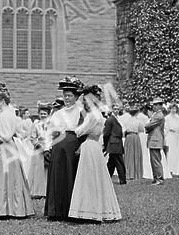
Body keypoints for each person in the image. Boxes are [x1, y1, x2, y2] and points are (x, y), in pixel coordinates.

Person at [0, 83, 34, 219]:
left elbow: (6, 136)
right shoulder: (6, 113)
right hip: (6, 147)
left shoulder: (5, 115)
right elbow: (0, 132)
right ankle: (7, 207)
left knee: (3, 177)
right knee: (7, 177)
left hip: (5, 148)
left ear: (2, 101)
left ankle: (3, 208)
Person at [69, 85, 122, 222]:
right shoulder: (98, 114)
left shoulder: (92, 116)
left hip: (89, 146)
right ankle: (95, 209)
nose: (84, 103)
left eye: (86, 100)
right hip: (94, 146)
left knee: (87, 177)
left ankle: (89, 210)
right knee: (95, 176)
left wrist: (69, 128)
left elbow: (79, 131)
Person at [45, 78, 85, 219]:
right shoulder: (57, 114)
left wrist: (81, 146)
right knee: (57, 177)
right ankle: (55, 211)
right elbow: (49, 132)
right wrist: (46, 148)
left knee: (70, 176)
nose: (66, 99)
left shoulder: (81, 112)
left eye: (69, 96)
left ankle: (70, 210)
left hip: (72, 148)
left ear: (76, 97)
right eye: (65, 96)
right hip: (58, 147)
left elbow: (85, 132)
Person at [144, 99, 167, 186]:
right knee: (153, 160)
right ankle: (156, 178)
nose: (153, 106)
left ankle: (159, 178)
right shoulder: (156, 115)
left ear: (160, 105)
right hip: (154, 140)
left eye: (155, 105)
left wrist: (147, 124)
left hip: (156, 140)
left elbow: (149, 125)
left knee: (156, 160)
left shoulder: (159, 115)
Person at [102, 103, 126, 185]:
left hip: (116, 142)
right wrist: (105, 145)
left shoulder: (117, 118)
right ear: (112, 109)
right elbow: (106, 134)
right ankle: (122, 180)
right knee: (119, 162)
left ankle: (106, 178)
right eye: (115, 109)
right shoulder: (110, 120)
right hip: (113, 143)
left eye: (118, 109)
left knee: (111, 163)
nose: (116, 110)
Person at [118, 103, 142, 180]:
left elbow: (123, 130)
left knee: (128, 154)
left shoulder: (126, 121)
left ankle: (128, 172)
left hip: (128, 137)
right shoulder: (138, 121)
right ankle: (135, 173)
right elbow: (141, 130)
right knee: (135, 154)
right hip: (135, 137)